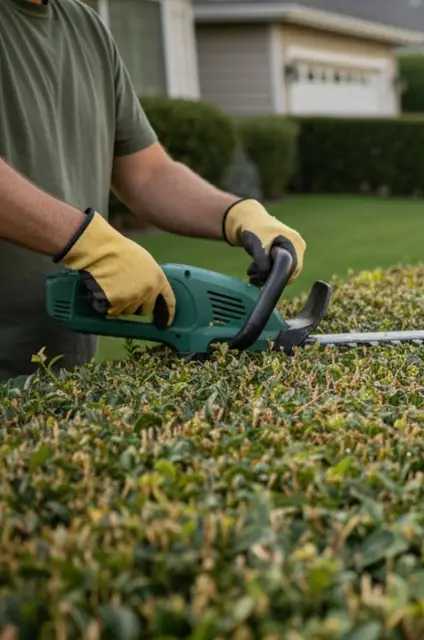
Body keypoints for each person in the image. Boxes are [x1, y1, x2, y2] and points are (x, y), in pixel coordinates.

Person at [1, 0, 307, 382]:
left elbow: (147, 173)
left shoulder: (86, 29)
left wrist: (239, 215)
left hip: (58, 373)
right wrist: (86, 241)